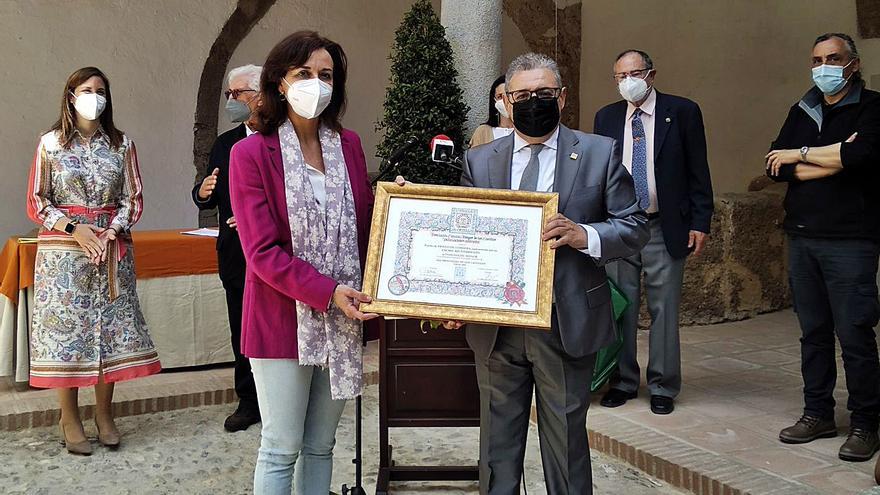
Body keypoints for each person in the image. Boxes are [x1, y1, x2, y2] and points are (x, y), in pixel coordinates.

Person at [452, 52, 648, 494]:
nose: (532, 102)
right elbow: (461, 235)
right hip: (498, 326)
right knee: (496, 446)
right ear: (505, 100)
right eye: (522, 95)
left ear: (561, 98)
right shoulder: (480, 160)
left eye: (542, 93)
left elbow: (634, 227)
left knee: (565, 442)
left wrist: (584, 234)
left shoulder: (598, 153)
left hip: (566, 321)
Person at [228, 31, 381, 494]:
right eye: (304, 74)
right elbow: (261, 253)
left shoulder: (348, 145)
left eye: (326, 75)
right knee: (280, 445)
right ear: (279, 82)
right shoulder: (251, 152)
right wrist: (328, 291)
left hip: (344, 319)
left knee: (321, 443)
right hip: (280, 318)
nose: (316, 83)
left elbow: (367, 223)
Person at [26, 67, 160, 455]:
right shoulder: (49, 144)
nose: (95, 96)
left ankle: (104, 414)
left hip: (111, 249)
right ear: (70, 95)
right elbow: (37, 200)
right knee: (68, 334)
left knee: (109, 330)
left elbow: (132, 198)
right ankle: (69, 417)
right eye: (87, 89)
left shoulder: (121, 144)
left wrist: (112, 230)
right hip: (65, 254)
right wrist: (75, 229)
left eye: (101, 90)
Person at [766, 32, 880, 462]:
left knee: (854, 333)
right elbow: (775, 163)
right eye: (817, 59)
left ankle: (867, 423)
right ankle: (818, 413)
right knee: (812, 334)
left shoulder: (872, 106)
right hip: (802, 236)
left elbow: (864, 156)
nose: (823, 66)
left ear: (853, 63)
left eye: (833, 58)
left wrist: (801, 157)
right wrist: (825, 159)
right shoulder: (804, 107)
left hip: (851, 239)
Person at [593, 49, 714, 415]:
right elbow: (600, 174)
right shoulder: (607, 117)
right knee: (621, 306)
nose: (628, 81)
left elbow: (699, 170)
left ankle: (662, 384)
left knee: (664, 308)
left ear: (651, 73)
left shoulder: (682, 112)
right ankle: (624, 380)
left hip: (665, 223)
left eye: (635, 72)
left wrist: (700, 221)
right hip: (620, 224)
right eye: (620, 75)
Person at [192, 64, 262, 432]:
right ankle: (248, 401)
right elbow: (206, 192)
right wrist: (202, 193)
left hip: (276, 252)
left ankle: (280, 398)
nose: (231, 101)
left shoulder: (283, 138)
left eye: (238, 94)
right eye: (228, 95)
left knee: (276, 328)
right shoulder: (225, 142)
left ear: (260, 95)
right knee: (242, 330)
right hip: (236, 254)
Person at [469, 75, 515, 147]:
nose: (505, 101)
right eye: (500, 97)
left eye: (507, 95)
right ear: (494, 100)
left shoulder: (527, 131)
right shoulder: (483, 132)